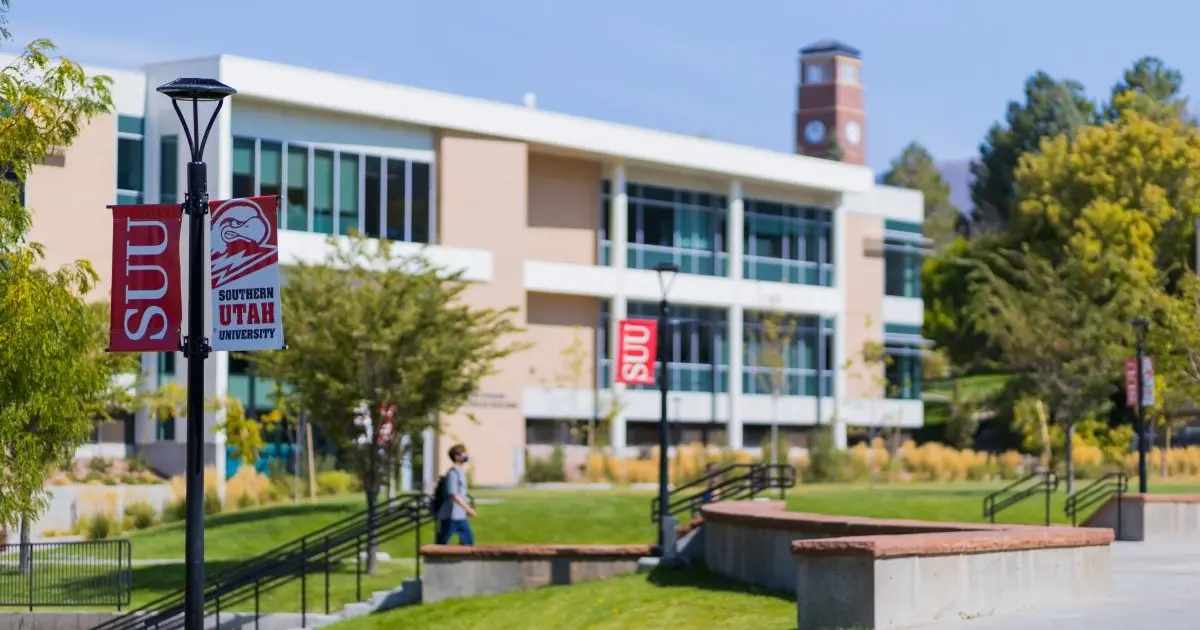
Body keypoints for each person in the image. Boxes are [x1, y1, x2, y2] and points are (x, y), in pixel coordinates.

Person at [436, 443, 476, 545]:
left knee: (468, 541)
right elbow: (453, 494)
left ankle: (464, 561)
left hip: (460, 515)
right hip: (449, 516)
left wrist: (466, 508)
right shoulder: (452, 473)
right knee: (441, 544)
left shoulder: (460, 472)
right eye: (463, 453)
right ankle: (438, 561)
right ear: (457, 456)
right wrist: (468, 509)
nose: (466, 456)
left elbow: (461, 494)